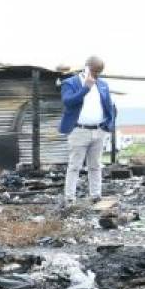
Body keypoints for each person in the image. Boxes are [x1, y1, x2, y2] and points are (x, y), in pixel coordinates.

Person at [59, 55, 115, 206]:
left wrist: (108, 125)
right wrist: (85, 88)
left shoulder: (103, 84)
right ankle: (70, 199)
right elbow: (68, 102)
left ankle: (96, 196)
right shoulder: (70, 83)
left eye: (99, 72)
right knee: (74, 166)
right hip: (78, 131)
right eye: (95, 71)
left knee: (95, 165)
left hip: (99, 130)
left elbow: (109, 106)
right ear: (87, 67)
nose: (97, 74)